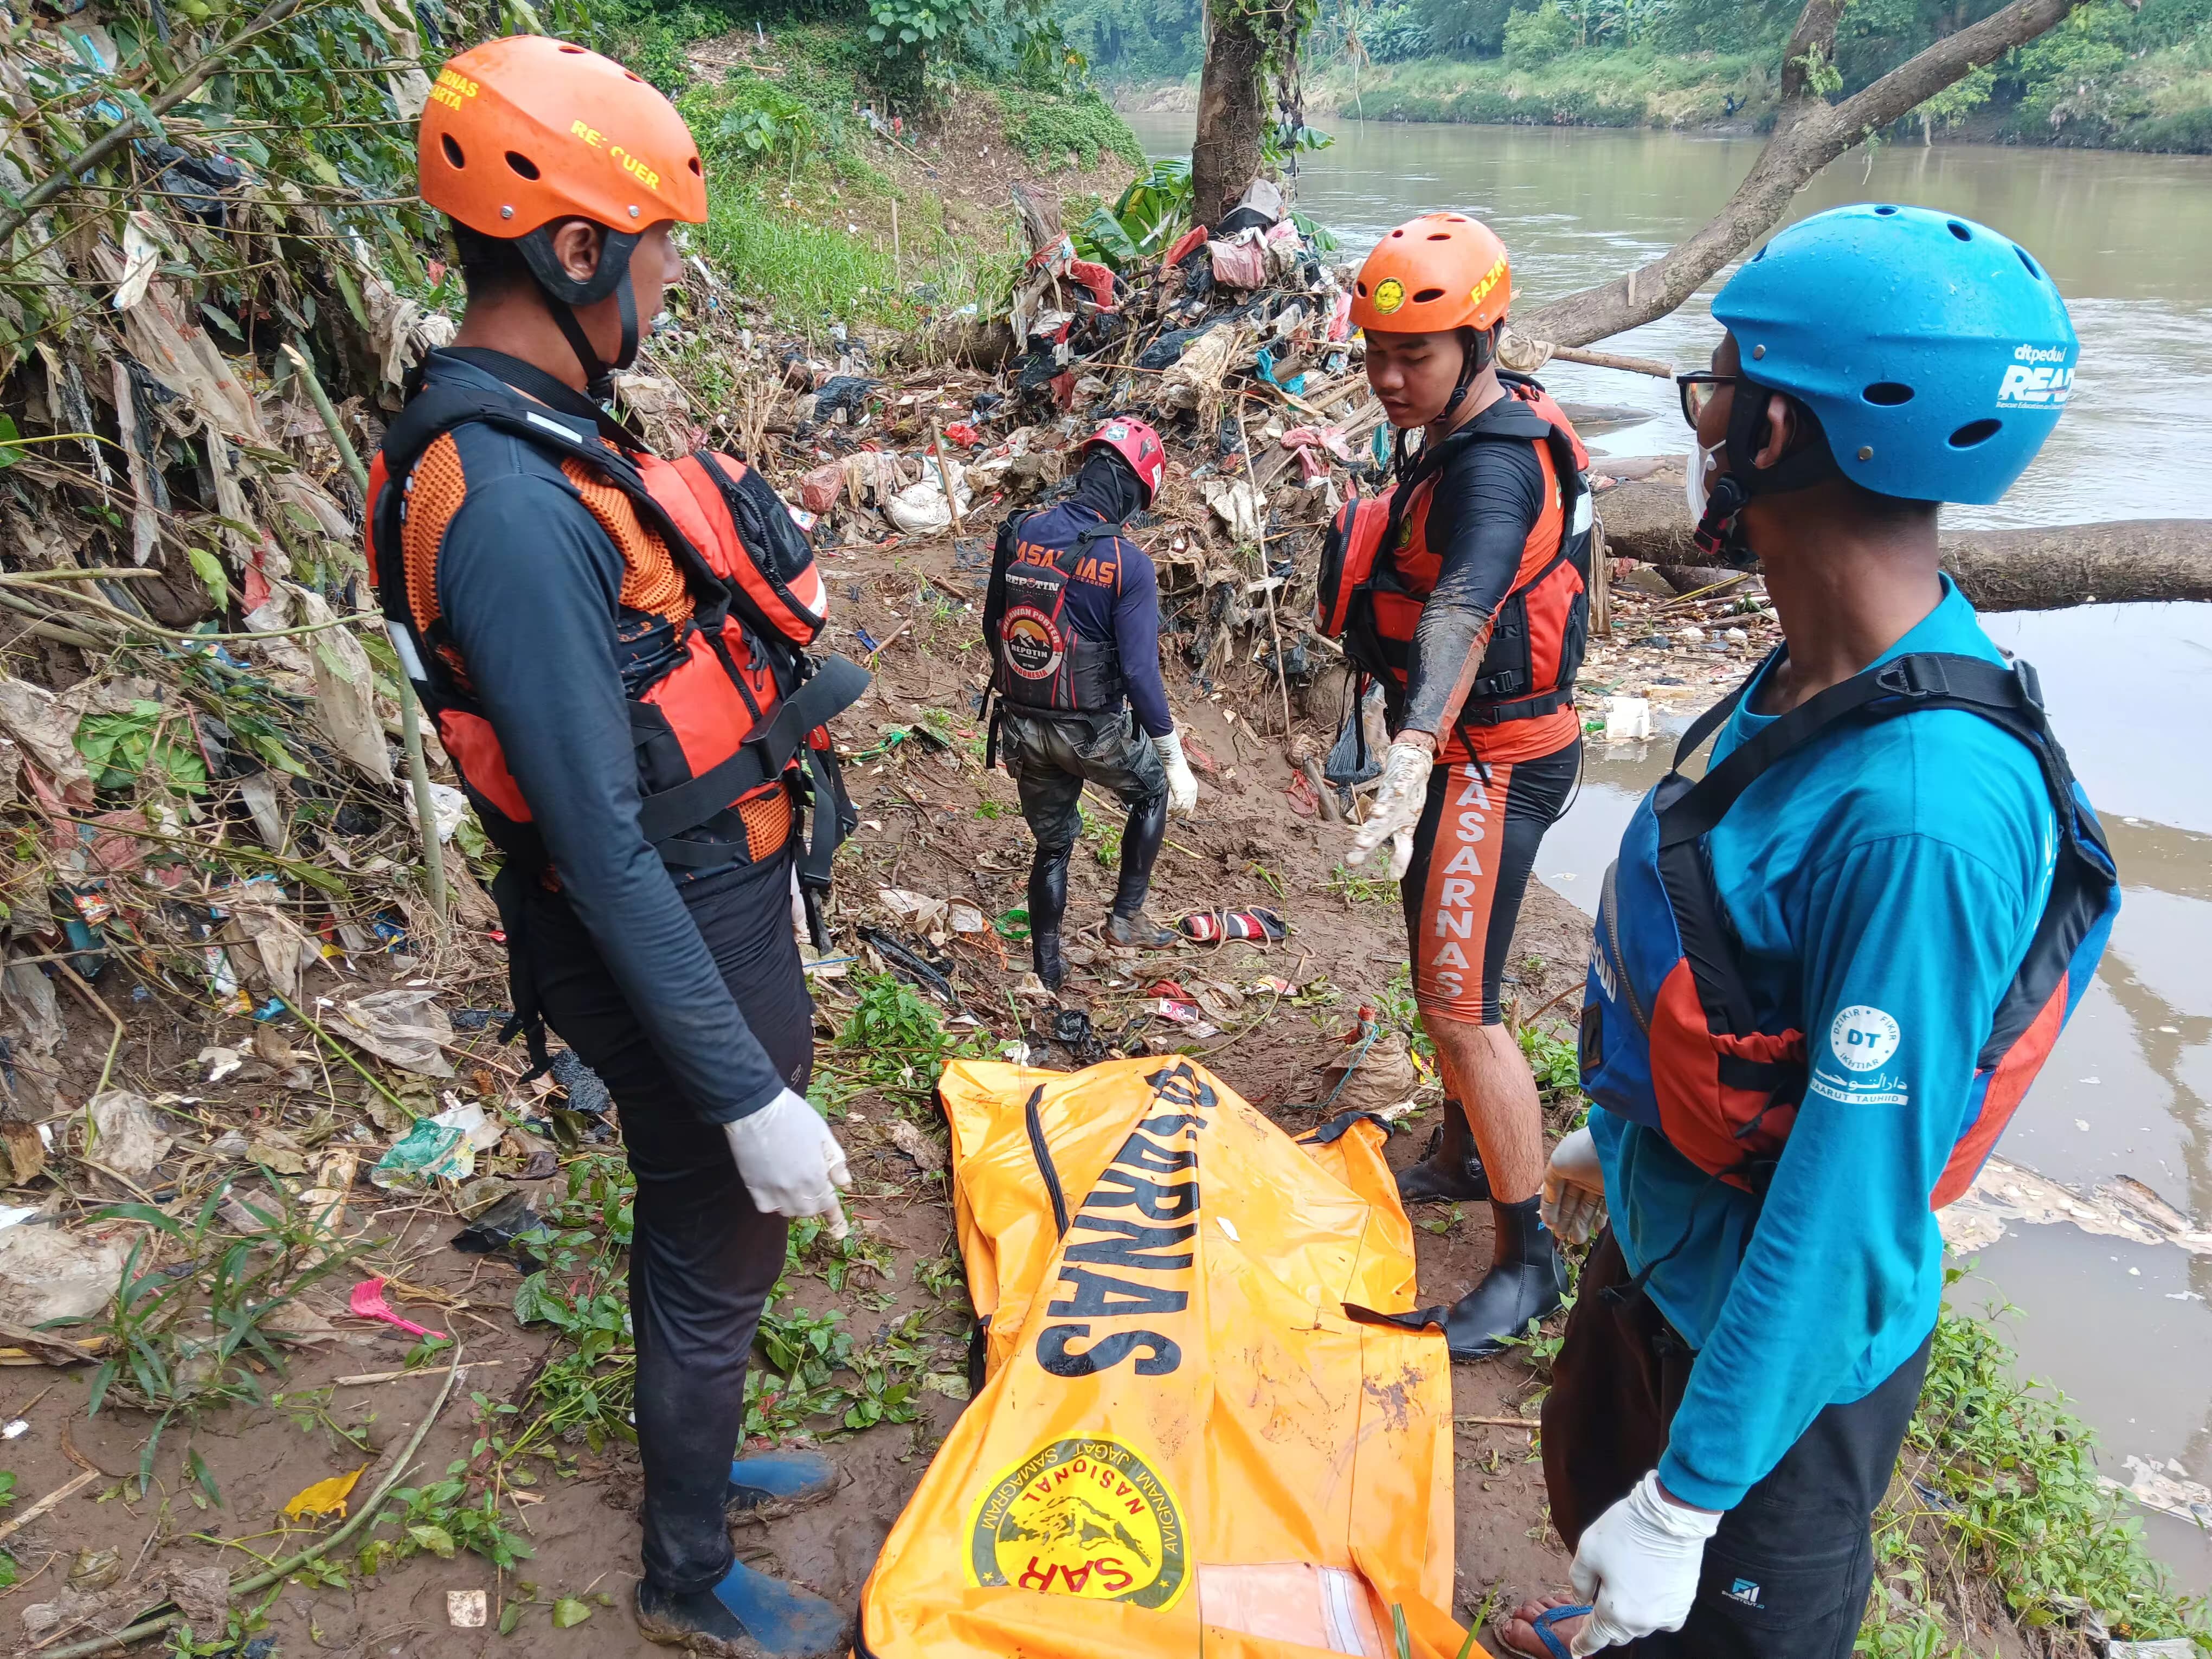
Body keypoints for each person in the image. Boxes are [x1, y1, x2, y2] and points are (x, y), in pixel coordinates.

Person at [1496, 204, 2119, 1658]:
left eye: (1715, 388)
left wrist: (1690, 1500)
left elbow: (1846, 1207)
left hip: (1772, 1384)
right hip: (1670, 1257)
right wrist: (1633, 1128)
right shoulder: (1814, 667)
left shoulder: (1923, 813)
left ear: (1779, 433)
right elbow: (1745, 972)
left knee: (1705, 1610)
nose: (1701, 423)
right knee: (1600, 1530)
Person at [370, 37, 867, 1655]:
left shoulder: (536, 428)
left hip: (703, 882)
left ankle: (701, 1463)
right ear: (573, 251)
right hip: (654, 908)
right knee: (721, 1226)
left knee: (700, 1228)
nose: (667, 282)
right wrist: (742, 1088)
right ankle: (685, 1573)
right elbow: (590, 834)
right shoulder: (506, 504)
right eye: (657, 253)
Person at [1336, 213, 1594, 1359]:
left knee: (1461, 1003)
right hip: (1459, 749)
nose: (1391, 380)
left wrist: (1413, 744)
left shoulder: (1495, 464)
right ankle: (1454, 1150)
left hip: (1493, 756)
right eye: (1377, 356)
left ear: (1482, 340)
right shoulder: (1466, 420)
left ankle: (1526, 1260)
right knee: (1442, 967)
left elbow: (1463, 600)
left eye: (1418, 357)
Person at [983, 418, 1200, 991]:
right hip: (1093, 731)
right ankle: (1125, 920)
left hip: (1023, 725)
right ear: (1134, 490)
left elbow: (993, 628)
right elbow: (1137, 670)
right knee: (1150, 792)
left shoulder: (1019, 531)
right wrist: (1171, 754)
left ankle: (1048, 973)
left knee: (1053, 845)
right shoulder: (1128, 565)